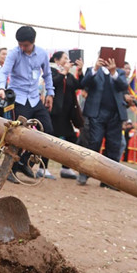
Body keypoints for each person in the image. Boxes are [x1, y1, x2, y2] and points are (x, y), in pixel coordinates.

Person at [0, 26, 56, 181]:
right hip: (18, 98)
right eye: (20, 44)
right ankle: (10, 170)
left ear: (33, 42)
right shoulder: (14, 53)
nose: (22, 48)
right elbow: (4, 72)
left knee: (48, 130)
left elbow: (48, 75)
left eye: (26, 45)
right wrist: (1, 88)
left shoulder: (42, 53)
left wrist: (50, 93)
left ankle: (24, 162)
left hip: (35, 98)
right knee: (18, 135)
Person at [77, 51, 129, 187]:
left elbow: (124, 86)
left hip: (115, 115)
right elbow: (84, 83)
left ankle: (109, 180)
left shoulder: (120, 73)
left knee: (114, 146)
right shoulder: (92, 71)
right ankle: (84, 174)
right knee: (94, 143)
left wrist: (113, 72)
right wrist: (95, 69)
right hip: (97, 114)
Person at [49, 50, 82, 179]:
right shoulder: (51, 70)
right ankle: (42, 168)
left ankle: (65, 168)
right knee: (49, 140)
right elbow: (53, 83)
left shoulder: (69, 75)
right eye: (64, 58)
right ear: (56, 60)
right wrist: (64, 72)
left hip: (66, 114)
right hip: (54, 112)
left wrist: (79, 71)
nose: (67, 60)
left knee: (72, 139)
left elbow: (79, 85)